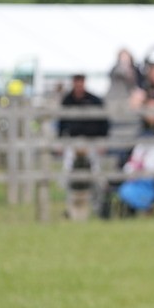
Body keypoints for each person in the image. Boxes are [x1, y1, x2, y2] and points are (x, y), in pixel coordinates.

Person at [59, 74, 110, 220]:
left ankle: (98, 206)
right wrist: (62, 142)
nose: (79, 85)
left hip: (92, 141)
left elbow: (103, 122)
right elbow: (62, 123)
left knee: (96, 172)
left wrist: (102, 142)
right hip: (73, 142)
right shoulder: (67, 100)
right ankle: (68, 205)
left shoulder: (94, 100)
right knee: (67, 170)